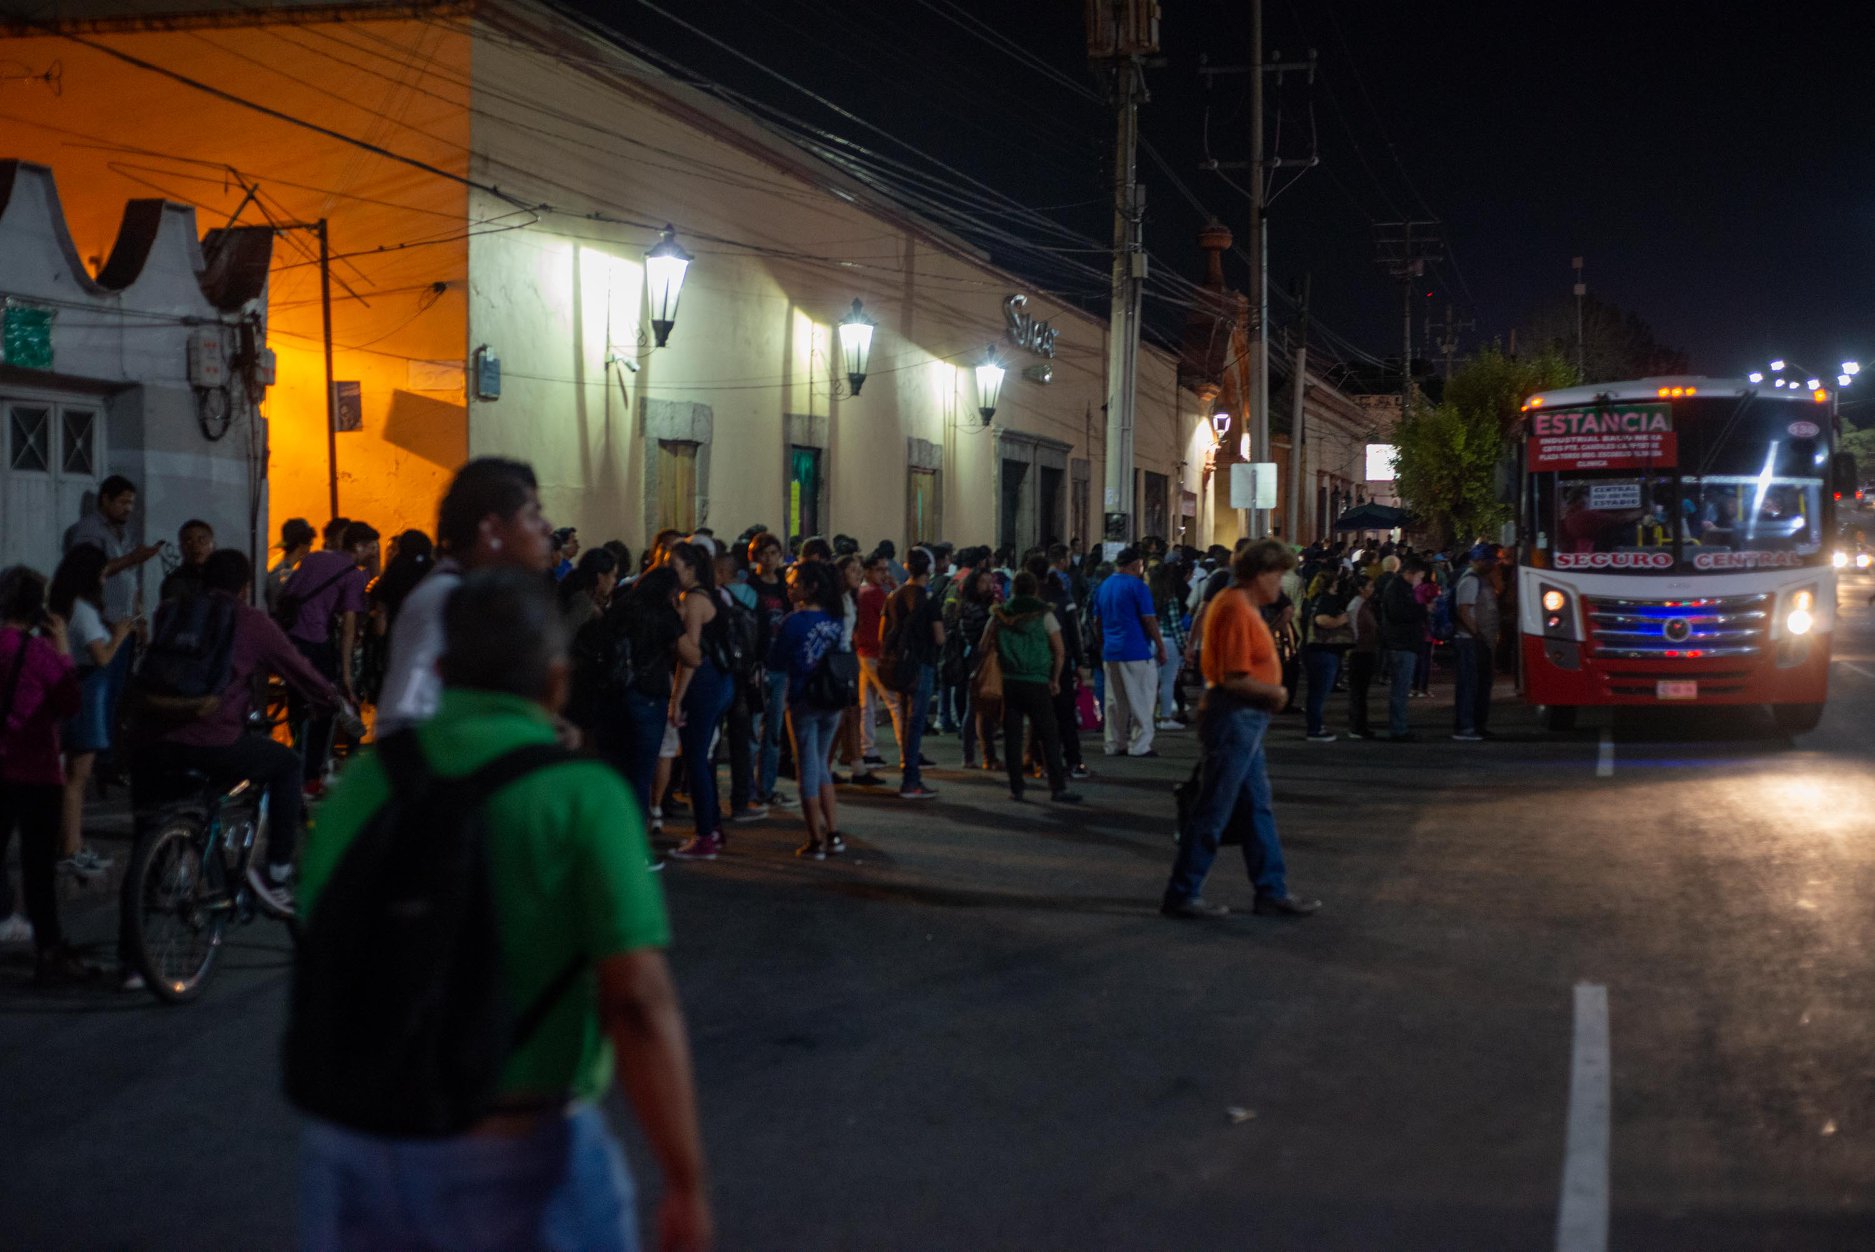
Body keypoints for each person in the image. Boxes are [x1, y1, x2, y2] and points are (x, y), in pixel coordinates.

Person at [296, 568, 712, 1252]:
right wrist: (684, 1180)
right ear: (555, 681)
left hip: (362, 1145)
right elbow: (637, 998)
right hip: (524, 1148)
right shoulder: (582, 795)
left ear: (437, 670)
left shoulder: (362, 785)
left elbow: (326, 939)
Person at [132, 549, 348, 916]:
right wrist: (331, 701)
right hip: (212, 739)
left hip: (154, 736)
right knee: (286, 765)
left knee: (146, 837)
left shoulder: (171, 610)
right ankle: (277, 875)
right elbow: (299, 670)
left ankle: (132, 963)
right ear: (246, 586)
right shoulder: (250, 621)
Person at [1161, 540, 1321, 920]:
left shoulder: (1242, 606)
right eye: (1278, 575)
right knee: (1215, 807)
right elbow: (1234, 677)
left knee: (1255, 808)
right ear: (1260, 574)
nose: (1281, 584)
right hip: (1235, 715)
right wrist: (1276, 691)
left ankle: (1270, 889)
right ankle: (1183, 892)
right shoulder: (1235, 608)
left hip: (1243, 718)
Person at [378, 459, 556, 737]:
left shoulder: (487, 597)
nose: (547, 528)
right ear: (493, 532)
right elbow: (402, 719)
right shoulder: (444, 599)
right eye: (533, 515)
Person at [0, 565, 91, 982]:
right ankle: (49, 951)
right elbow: (71, 704)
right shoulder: (40, 653)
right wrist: (64, 651)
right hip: (35, 772)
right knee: (38, 869)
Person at [48, 544, 132, 880]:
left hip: (67, 692)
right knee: (77, 779)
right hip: (87, 693)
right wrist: (122, 633)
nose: (103, 577)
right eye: (101, 571)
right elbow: (102, 657)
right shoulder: (83, 610)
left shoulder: (60, 605)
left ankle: (69, 845)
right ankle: (72, 849)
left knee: (69, 776)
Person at [64, 475, 162, 751]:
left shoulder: (123, 533)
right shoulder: (89, 531)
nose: (128, 509)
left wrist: (139, 618)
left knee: (118, 693)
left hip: (123, 624)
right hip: (103, 624)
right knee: (99, 692)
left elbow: (130, 581)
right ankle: (95, 752)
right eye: (122, 502)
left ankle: (109, 753)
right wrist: (133, 558)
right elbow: (92, 571)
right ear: (105, 499)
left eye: (131, 503)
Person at [281, 520, 375, 789]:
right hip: (315, 641)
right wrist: (345, 674)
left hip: (290, 640)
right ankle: (310, 775)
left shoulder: (314, 558)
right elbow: (348, 628)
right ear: (358, 546)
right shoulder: (354, 575)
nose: (372, 553)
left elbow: (290, 591)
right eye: (370, 548)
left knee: (297, 705)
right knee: (324, 707)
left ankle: (294, 764)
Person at [771, 560, 849, 857]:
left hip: (804, 698)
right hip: (833, 698)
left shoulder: (793, 622)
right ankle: (834, 833)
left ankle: (815, 839)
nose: (790, 587)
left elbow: (777, 662)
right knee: (822, 766)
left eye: (795, 583)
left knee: (806, 768)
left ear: (811, 587)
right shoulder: (835, 618)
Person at [989, 571, 1081, 804]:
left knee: (1013, 737)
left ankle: (1016, 787)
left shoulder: (1000, 614)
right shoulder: (1044, 615)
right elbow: (1059, 651)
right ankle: (1057, 787)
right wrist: (1056, 679)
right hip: (1037, 681)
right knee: (1048, 735)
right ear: (1034, 590)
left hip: (1010, 680)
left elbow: (984, 645)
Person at [668, 543, 734, 861]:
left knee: (695, 759)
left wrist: (675, 699)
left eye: (675, 565)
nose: (671, 571)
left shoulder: (693, 600)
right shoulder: (712, 596)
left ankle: (705, 835)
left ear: (691, 569)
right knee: (703, 759)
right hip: (719, 683)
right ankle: (713, 828)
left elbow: (690, 655)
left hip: (703, 685)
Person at [880, 548, 943, 799]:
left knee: (906, 719)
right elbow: (939, 637)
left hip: (898, 664)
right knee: (916, 722)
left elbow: (882, 634)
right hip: (921, 664)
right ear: (928, 568)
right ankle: (911, 779)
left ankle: (909, 774)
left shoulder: (893, 596)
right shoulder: (928, 599)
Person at [1094, 547, 1167, 757]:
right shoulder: (1138, 587)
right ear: (1136, 564)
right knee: (1142, 699)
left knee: (1115, 701)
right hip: (1135, 650)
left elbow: (1097, 621)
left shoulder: (1104, 586)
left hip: (1111, 650)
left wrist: (1103, 643)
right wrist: (1160, 646)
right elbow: (1148, 619)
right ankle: (1140, 744)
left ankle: (1114, 743)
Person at [744, 532, 793, 809]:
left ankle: (767, 786)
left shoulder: (785, 588)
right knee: (753, 730)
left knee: (773, 732)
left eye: (774, 553)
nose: (770, 558)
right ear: (755, 556)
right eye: (764, 553)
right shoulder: (751, 588)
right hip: (758, 666)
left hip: (780, 666)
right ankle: (749, 788)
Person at [1452, 543, 1500, 742]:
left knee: (1481, 685)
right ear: (1479, 561)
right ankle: (1465, 727)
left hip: (1479, 640)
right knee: (1469, 685)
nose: (1493, 564)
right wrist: (1477, 633)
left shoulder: (1481, 579)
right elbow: (1464, 610)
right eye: (1490, 561)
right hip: (1470, 641)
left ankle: (1477, 725)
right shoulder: (1470, 581)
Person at [955, 565, 1001, 771]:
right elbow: (974, 635)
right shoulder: (970, 606)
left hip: (989, 657)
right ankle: (969, 755)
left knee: (988, 707)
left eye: (990, 581)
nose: (988, 586)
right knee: (974, 708)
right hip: (976, 658)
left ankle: (987, 755)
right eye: (983, 582)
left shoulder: (989, 603)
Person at [1301, 570, 1355, 743]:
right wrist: (1342, 620)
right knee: (1319, 691)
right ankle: (1314, 729)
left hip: (1311, 649)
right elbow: (1322, 620)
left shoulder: (1312, 600)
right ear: (1333, 584)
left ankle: (1315, 725)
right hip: (1324, 649)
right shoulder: (1327, 600)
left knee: (1315, 691)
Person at [854, 553, 895, 774]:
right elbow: (892, 617)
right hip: (875, 653)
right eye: (880, 570)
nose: (885, 574)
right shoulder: (874, 594)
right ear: (868, 571)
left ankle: (867, 749)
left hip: (863, 652)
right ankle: (908, 752)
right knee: (894, 702)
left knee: (867, 704)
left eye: (886, 569)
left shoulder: (862, 592)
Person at [1381, 557, 1430, 740]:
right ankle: (1398, 729)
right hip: (1401, 644)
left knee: (1401, 688)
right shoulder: (1396, 589)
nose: (1420, 580)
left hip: (1404, 642)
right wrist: (1423, 610)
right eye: (1419, 576)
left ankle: (1400, 726)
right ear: (1409, 573)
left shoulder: (1402, 588)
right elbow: (1398, 614)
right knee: (1400, 689)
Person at [1148, 560, 1189, 731]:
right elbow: (1175, 624)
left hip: (1150, 641)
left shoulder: (1147, 596)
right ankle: (1165, 717)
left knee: (1151, 683)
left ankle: (1150, 716)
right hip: (1168, 641)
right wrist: (1184, 646)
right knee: (1167, 682)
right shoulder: (1169, 597)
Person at [1345, 574, 1380, 739]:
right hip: (1359, 652)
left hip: (1366, 650)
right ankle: (1357, 726)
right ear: (1361, 589)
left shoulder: (1365, 604)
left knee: (1361, 691)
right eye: (1370, 586)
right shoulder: (1356, 605)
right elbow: (1353, 629)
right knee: (1358, 691)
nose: (1372, 590)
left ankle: (1360, 725)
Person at [558, 547, 618, 638]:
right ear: (600, 577)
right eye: (613, 575)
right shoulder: (584, 605)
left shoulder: (577, 594)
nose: (614, 581)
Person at [267, 518, 319, 618]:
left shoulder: (277, 569)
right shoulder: (288, 576)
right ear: (301, 543)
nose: (310, 547)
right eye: (309, 543)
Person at [158, 519, 215, 602]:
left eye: (202, 540)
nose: (195, 546)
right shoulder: (174, 582)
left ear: (212, 545)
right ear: (180, 548)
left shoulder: (224, 578)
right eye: (188, 541)